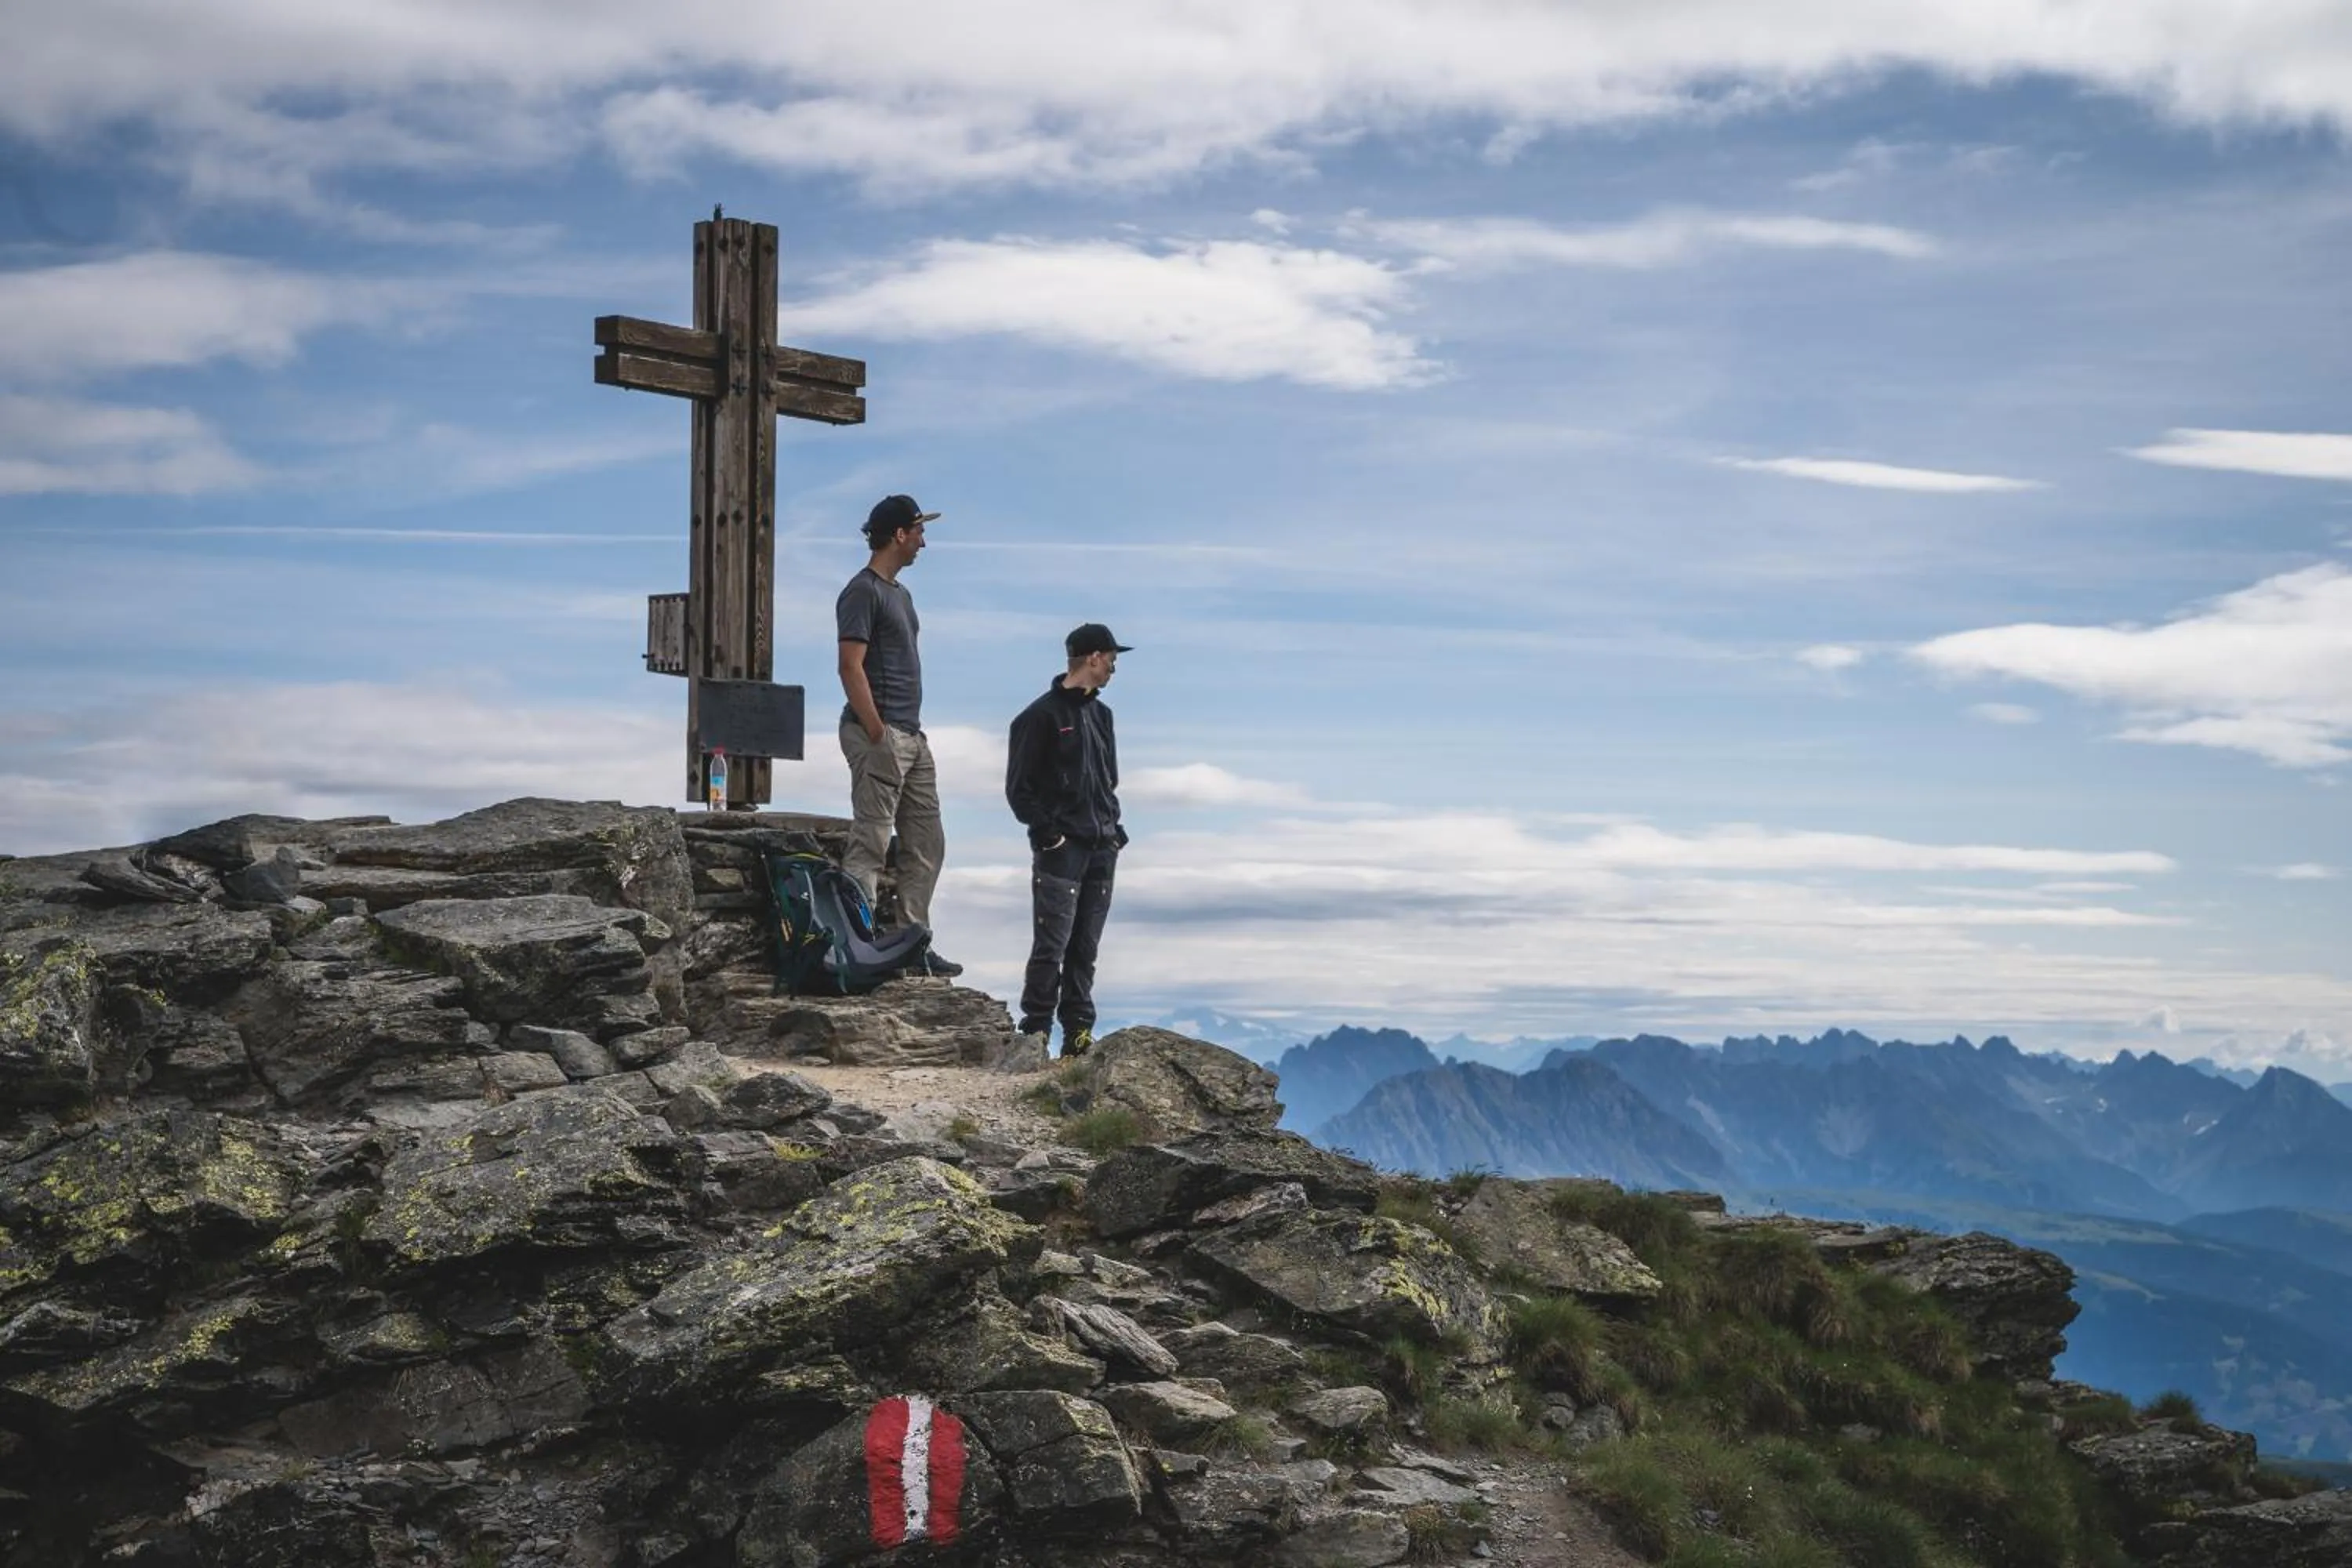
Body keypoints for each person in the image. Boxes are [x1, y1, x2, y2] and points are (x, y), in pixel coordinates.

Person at [836, 494, 960, 978]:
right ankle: (860, 948)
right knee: (871, 840)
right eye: (919, 532)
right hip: (881, 735)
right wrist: (877, 732)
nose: (924, 542)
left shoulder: (901, 595)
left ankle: (912, 944)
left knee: (927, 843)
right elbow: (850, 667)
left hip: (912, 735)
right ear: (899, 535)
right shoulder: (861, 591)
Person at [1005, 622, 1132, 1058]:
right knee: (1052, 946)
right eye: (1112, 658)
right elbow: (1019, 791)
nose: (1115, 666)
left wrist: (1114, 831)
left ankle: (1078, 1035)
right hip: (1062, 851)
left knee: (1085, 947)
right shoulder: (1038, 717)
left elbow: (1108, 781)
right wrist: (1050, 837)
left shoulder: (1102, 716)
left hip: (1101, 847)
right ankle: (1035, 1034)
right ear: (1093, 657)